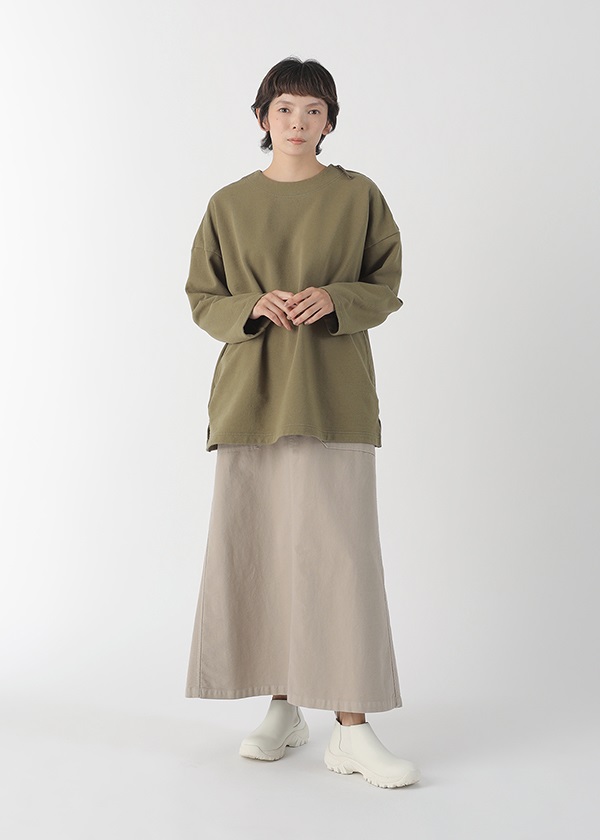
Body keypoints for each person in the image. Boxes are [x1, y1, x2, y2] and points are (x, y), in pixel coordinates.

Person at [183, 56, 420, 789]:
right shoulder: (229, 204)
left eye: (313, 110)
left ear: (330, 121)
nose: (298, 122)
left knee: (340, 560)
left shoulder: (357, 196)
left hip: (332, 396)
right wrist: (251, 306)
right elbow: (202, 297)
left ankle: (351, 727)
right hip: (250, 400)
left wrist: (337, 298)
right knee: (261, 552)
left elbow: (385, 283)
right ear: (262, 118)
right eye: (284, 108)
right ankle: (283, 708)